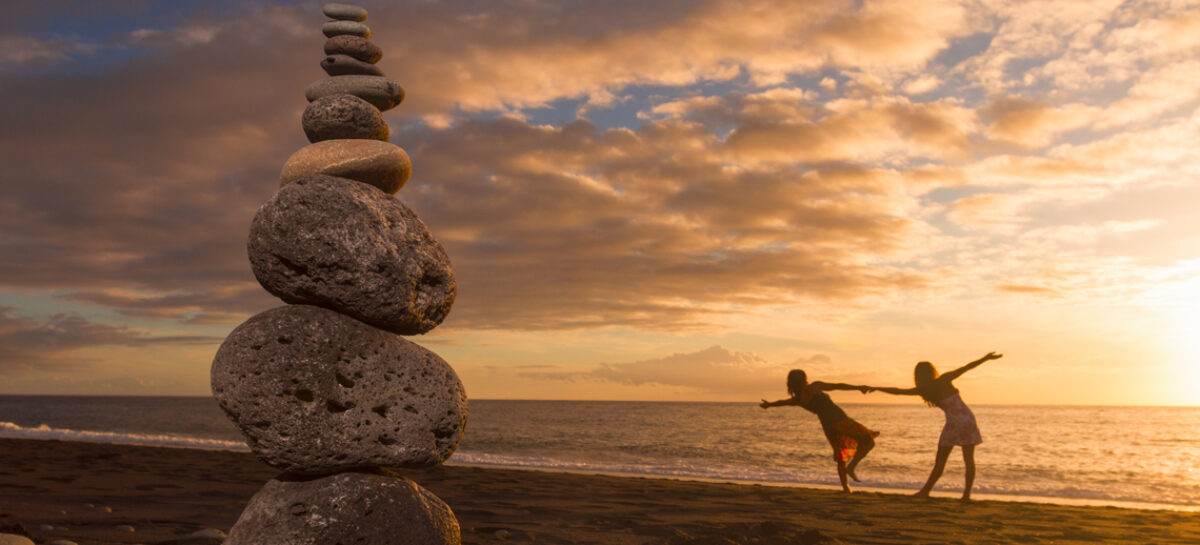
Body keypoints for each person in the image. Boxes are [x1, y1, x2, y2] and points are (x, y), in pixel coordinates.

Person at [867, 351, 1002, 500]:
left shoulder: (924, 390)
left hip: (953, 423)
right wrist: (986, 358)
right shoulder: (944, 379)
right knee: (969, 460)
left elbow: (898, 392)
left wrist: (877, 388)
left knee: (940, 461)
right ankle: (966, 495)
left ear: (918, 376)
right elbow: (967, 367)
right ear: (932, 371)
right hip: (968, 420)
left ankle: (925, 491)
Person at [760, 370, 878, 493]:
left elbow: (782, 402)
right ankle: (852, 467)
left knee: (840, 455)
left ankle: (846, 488)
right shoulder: (815, 387)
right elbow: (838, 386)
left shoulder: (798, 399)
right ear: (804, 378)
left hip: (828, 426)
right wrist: (859, 388)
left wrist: (769, 405)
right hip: (840, 420)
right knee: (869, 442)